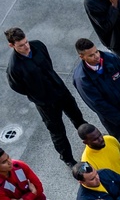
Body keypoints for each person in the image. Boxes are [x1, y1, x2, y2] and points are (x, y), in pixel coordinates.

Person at [5, 28, 86, 167]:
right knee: (57, 132)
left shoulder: (37, 45)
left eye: (26, 42)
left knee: (77, 116)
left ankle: (88, 137)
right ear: (12, 46)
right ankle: (68, 159)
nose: (26, 47)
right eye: (21, 45)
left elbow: (48, 64)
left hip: (60, 90)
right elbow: (17, 86)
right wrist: (36, 93)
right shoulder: (14, 68)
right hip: (45, 103)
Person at [72, 38, 120, 164]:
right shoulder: (82, 78)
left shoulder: (111, 59)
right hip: (113, 119)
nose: (97, 56)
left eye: (96, 52)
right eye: (91, 55)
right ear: (82, 57)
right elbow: (98, 104)